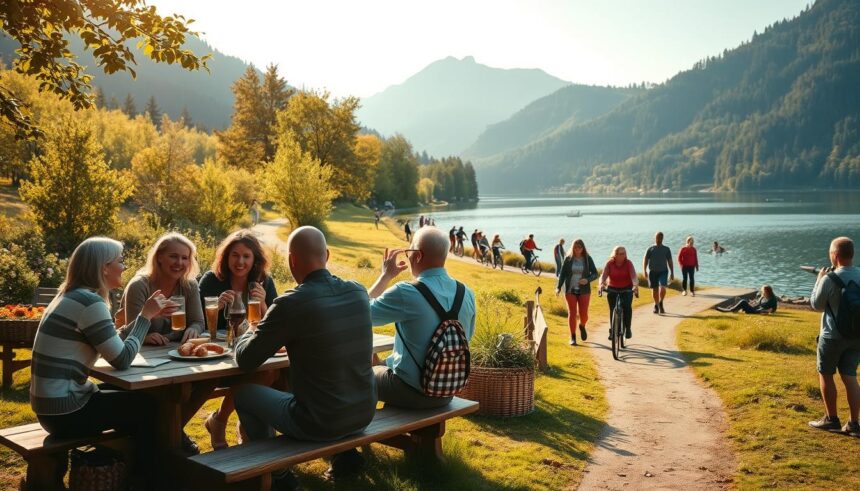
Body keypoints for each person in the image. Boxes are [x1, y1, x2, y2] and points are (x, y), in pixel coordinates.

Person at [233, 226, 376, 488]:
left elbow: (245, 359)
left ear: (291, 260)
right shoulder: (358, 291)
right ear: (327, 255)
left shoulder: (291, 303)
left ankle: (278, 476)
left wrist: (248, 328)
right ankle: (344, 457)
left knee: (244, 394)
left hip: (319, 423)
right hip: (363, 413)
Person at [30, 238, 173, 488]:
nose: (124, 267)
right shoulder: (90, 303)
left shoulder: (72, 296)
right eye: (120, 261)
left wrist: (144, 319)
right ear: (103, 267)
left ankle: (135, 470)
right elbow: (122, 359)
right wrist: (145, 318)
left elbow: (112, 342)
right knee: (149, 407)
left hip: (50, 406)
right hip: (65, 411)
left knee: (140, 396)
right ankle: (148, 480)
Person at [367, 226, 476, 408]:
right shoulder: (466, 293)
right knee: (384, 364)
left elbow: (361, 314)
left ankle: (360, 426)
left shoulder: (406, 292)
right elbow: (467, 338)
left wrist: (385, 276)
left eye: (409, 252)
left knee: (358, 377)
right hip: (446, 393)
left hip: (410, 391)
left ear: (417, 256)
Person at [118, 232, 206, 454]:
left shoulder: (188, 285)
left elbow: (197, 321)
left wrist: (194, 329)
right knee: (163, 395)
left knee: (205, 381)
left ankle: (172, 431)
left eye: (185, 258)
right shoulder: (140, 285)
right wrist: (145, 335)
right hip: (144, 359)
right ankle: (168, 437)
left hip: (177, 354)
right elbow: (129, 329)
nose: (179, 263)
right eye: (173, 257)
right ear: (159, 258)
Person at [199, 230, 279, 450]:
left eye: (246, 256)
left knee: (270, 372)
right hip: (218, 353)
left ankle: (223, 420)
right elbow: (197, 323)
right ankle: (225, 422)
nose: (240, 261)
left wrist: (262, 304)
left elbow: (272, 326)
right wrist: (217, 308)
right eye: (235, 255)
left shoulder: (264, 282)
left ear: (255, 260)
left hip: (249, 351)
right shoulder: (212, 280)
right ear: (226, 257)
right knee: (263, 372)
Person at [807, 237, 860, 434]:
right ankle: (855, 424)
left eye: (830, 254)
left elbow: (816, 305)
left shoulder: (829, 279)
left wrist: (818, 280)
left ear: (835, 256)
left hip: (832, 336)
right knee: (850, 376)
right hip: (857, 336)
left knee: (826, 374)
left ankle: (831, 419)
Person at [556, 239, 599, 346]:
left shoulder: (588, 259)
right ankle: (573, 337)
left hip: (584, 290)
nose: (577, 249)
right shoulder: (568, 259)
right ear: (572, 247)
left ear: (583, 248)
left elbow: (595, 274)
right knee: (572, 313)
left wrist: (587, 280)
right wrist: (558, 287)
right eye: (575, 247)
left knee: (584, 314)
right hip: (570, 289)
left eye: (579, 247)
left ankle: (582, 326)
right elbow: (562, 275)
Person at [600, 246, 639, 339]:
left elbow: (633, 276)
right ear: (615, 255)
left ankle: (628, 328)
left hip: (627, 288)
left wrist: (635, 286)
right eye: (621, 254)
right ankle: (612, 330)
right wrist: (601, 284)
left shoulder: (628, 263)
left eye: (624, 253)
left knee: (627, 307)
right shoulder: (609, 264)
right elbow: (603, 275)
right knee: (612, 308)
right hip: (612, 288)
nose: (624, 255)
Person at [643, 231, 674, 314]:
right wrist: (645, 270)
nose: (659, 239)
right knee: (655, 289)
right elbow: (645, 259)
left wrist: (672, 272)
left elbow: (670, 261)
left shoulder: (666, 249)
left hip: (663, 271)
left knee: (663, 286)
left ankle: (661, 302)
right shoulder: (650, 249)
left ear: (662, 238)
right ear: (655, 238)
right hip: (653, 272)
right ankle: (656, 305)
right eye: (657, 237)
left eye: (660, 238)